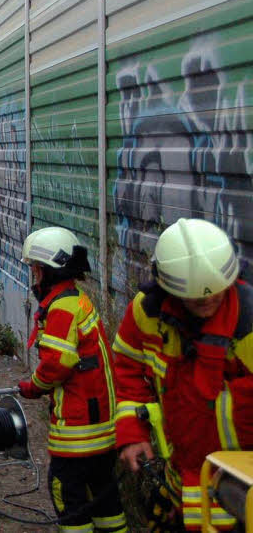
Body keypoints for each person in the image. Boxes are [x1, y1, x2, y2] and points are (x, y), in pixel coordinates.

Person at [113, 218, 253, 531]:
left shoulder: (248, 325)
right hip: (182, 488)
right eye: (195, 296)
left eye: (215, 291)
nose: (207, 300)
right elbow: (127, 369)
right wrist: (132, 433)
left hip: (240, 498)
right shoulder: (147, 314)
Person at [16, 227, 125, 533]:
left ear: (48, 270)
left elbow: (57, 364)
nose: (34, 276)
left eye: (35, 270)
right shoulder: (77, 300)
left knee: (67, 494)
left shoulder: (61, 308)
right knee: (104, 498)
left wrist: (32, 387)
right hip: (102, 427)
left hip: (79, 430)